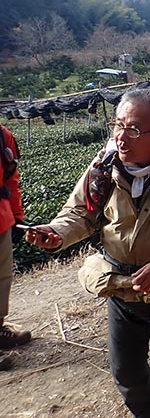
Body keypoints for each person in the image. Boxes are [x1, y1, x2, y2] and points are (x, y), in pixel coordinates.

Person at [27, 88, 150, 418]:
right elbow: (80, 212)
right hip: (121, 291)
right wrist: (57, 232)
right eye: (118, 125)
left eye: (133, 129)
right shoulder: (103, 167)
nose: (121, 137)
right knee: (127, 374)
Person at [0, 124, 31, 371]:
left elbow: (10, 179)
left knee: (2, 278)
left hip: (1, 219)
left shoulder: (3, 136)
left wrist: (16, 215)